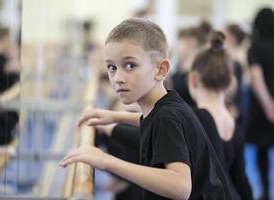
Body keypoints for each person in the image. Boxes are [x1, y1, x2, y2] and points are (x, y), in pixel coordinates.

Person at [59, 18, 233, 199]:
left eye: (130, 65)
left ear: (161, 69)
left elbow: (180, 186)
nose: (118, 77)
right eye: (112, 67)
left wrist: (107, 161)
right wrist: (115, 117)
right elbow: (153, 121)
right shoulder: (167, 105)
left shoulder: (167, 118)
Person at [188, 31, 253, 200]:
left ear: (193, 79)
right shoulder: (235, 127)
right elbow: (241, 181)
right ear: (232, 83)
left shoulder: (194, 118)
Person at [246, 7, 274, 200]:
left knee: (262, 150)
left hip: (262, 108)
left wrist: (268, 105)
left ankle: (265, 192)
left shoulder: (254, 47)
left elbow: (256, 78)